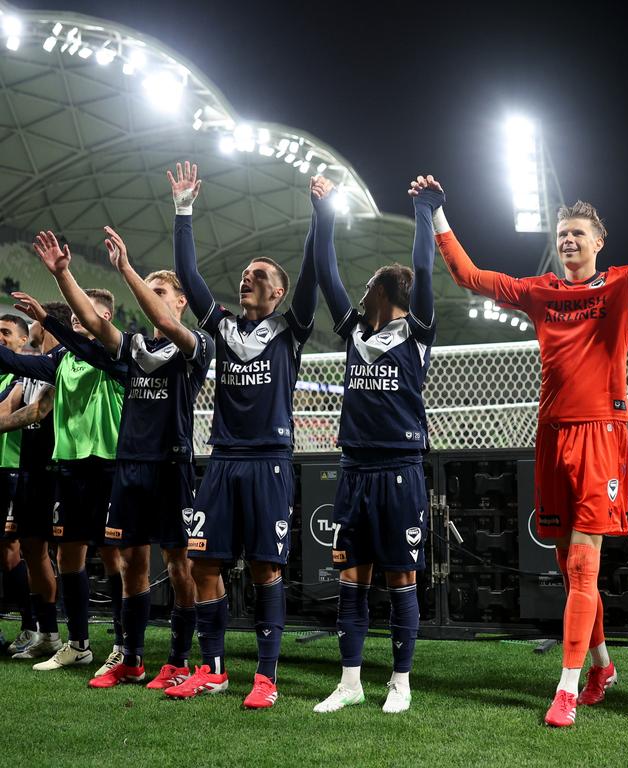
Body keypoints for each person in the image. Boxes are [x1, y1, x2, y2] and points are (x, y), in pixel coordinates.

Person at [425, 145, 628, 727]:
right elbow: (469, 276)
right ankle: (601, 662)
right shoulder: (539, 292)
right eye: (562, 233)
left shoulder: (623, 286)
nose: (568, 240)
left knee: (582, 568)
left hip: (601, 436)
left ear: (599, 241)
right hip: (550, 437)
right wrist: (437, 216)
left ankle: (568, 689)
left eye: (578, 232)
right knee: (567, 567)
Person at [162, 161, 317, 708]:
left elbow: (313, 275)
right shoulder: (223, 327)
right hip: (222, 461)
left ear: (278, 294)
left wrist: (318, 216)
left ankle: (267, 677)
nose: (248, 278)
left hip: (269, 460)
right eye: (246, 274)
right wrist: (184, 209)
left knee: (265, 567)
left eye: (259, 277)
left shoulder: (289, 331)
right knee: (204, 563)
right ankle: (216, 669)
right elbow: (189, 271)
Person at [31, 227, 213, 690]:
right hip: (129, 469)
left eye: (160, 293)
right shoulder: (134, 347)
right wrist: (63, 275)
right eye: (149, 292)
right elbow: (93, 326)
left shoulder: (195, 346)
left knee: (178, 566)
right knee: (132, 564)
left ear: (180, 303)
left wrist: (126, 269)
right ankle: (130, 659)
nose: (152, 299)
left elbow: (168, 327)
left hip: (171, 467)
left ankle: (176, 660)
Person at [309, 176, 442, 715]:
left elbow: (426, 270)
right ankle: (349, 682)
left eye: (369, 287)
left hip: (400, 468)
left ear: (386, 293)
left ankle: (401, 682)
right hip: (355, 467)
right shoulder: (354, 334)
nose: (360, 292)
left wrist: (424, 211)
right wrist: (323, 214)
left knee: (401, 578)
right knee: (350, 575)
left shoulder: (419, 330)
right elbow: (325, 273)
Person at [2, 277, 127, 676]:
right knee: (68, 554)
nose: (75, 317)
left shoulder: (112, 350)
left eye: (83, 312)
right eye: (71, 314)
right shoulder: (62, 360)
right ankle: (78, 644)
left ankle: (125, 643)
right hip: (70, 468)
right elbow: (20, 363)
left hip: (108, 464)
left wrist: (47, 319)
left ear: (103, 317)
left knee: (113, 554)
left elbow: (83, 344)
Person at [0, 308, 71, 662]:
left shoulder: (60, 365)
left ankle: (78, 637)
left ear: (45, 326)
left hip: (54, 470)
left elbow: (37, 412)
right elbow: (10, 409)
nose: (32, 326)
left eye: (36, 320)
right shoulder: (29, 371)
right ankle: (46, 634)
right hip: (29, 470)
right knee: (31, 550)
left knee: (69, 554)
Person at [0, 313, 37, 654]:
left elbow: (6, 416)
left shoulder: (22, 374)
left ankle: (31, 624)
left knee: (14, 552)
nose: (0, 337)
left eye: (6, 332)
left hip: (14, 469)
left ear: (23, 340)